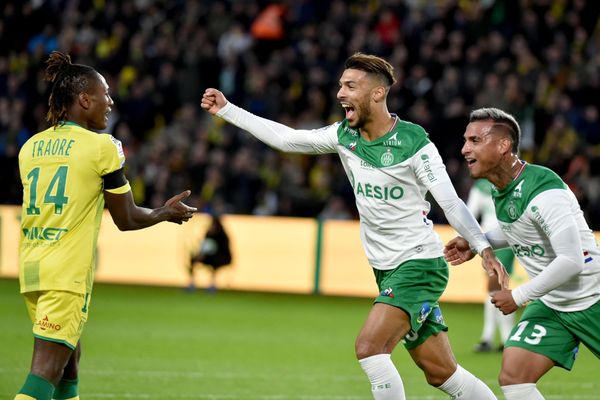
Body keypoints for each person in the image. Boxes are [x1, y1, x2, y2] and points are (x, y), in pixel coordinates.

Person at [201, 53, 507, 400]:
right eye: (340, 85)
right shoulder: (344, 136)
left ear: (377, 94)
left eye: (350, 86)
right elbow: (287, 139)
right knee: (441, 373)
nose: (340, 94)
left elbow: (451, 203)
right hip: (386, 270)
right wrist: (228, 110)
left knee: (369, 347)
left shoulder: (414, 143)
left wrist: (483, 247)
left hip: (419, 266)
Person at [15, 51, 196, 400]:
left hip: (32, 270)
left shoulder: (30, 147)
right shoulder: (102, 147)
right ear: (84, 99)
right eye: (106, 94)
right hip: (65, 274)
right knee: (44, 373)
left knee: (70, 359)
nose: (111, 102)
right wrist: (164, 212)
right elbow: (126, 218)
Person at [444, 107, 600, 400]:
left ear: (503, 145)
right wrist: (478, 241)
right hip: (554, 305)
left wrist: (518, 296)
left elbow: (571, 260)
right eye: (466, 140)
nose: (465, 149)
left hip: (593, 297)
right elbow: (522, 230)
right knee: (514, 377)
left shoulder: (543, 189)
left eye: (475, 140)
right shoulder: (502, 188)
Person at [466, 179, 516, 353]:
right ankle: (501, 338)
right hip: (499, 239)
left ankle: (496, 338)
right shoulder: (510, 180)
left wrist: (471, 238)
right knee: (496, 286)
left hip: (495, 239)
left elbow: (470, 212)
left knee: (495, 285)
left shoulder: (480, 186)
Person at [188, 213, 232, 293]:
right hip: (209, 256)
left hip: (222, 257)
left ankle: (212, 285)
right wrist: (200, 254)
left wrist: (205, 253)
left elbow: (222, 250)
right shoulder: (208, 234)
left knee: (215, 262)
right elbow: (205, 245)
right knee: (193, 259)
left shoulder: (223, 236)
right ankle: (192, 284)